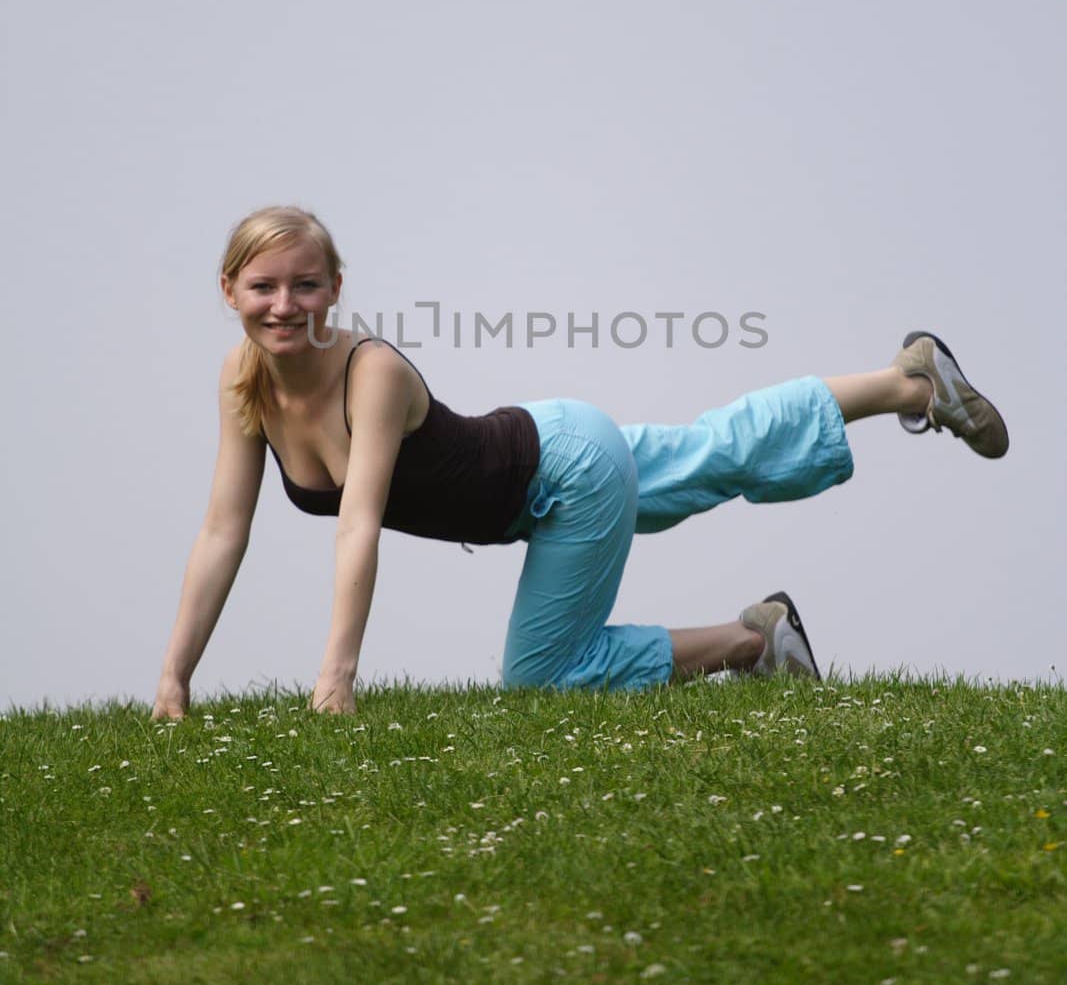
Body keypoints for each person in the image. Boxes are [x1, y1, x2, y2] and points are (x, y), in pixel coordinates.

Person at [151, 205, 1009, 720]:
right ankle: (908, 385)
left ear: (335, 286)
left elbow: (357, 526)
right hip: (556, 448)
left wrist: (335, 678)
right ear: (228, 291)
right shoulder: (243, 382)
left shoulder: (366, 372)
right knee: (720, 448)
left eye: (304, 284)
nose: (283, 305)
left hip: (559, 474)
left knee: (539, 678)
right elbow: (223, 530)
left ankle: (754, 645)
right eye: (262, 287)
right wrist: (173, 680)